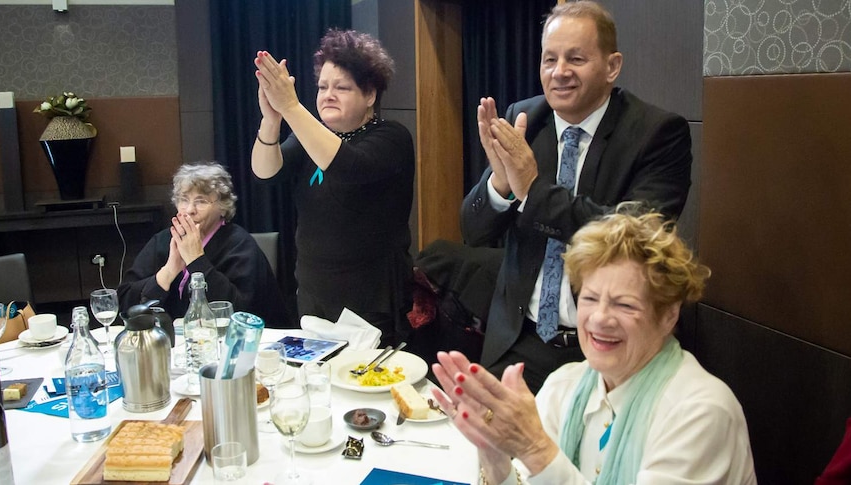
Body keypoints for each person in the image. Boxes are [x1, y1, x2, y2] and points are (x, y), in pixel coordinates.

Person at [462, 1, 693, 393]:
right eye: (549, 58)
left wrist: (531, 190)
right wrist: (500, 184)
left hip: (604, 352)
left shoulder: (657, 133)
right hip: (517, 340)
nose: (560, 72)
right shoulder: (525, 119)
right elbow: (472, 229)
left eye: (576, 58)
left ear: (612, 66)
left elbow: (631, 240)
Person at [432, 208, 757, 484]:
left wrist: (535, 448)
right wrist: (495, 456)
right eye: (589, 298)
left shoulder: (701, 412)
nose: (600, 318)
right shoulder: (565, 386)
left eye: (624, 305)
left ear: (669, 315)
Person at [251, 29, 415, 347]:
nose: (328, 95)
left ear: (370, 96)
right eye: (323, 86)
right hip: (314, 293)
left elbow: (346, 166)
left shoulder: (392, 137)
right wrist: (272, 119)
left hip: (371, 300)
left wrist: (292, 108)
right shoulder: (309, 137)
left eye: (341, 87)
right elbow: (265, 173)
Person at [118, 162, 290, 326]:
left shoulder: (240, 245)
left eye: (201, 201)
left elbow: (242, 313)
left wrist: (196, 260)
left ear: (223, 206)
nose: (190, 209)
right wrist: (168, 272)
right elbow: (124, 303)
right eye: (184, 200)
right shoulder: (163, 240)